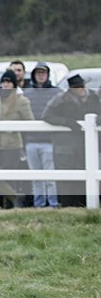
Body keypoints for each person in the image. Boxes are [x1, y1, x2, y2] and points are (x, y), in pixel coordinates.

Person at [42, 74, 101, 207]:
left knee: (89, 176)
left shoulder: (93, 97)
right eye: (77, 87)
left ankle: (87, 205)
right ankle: (68, 206)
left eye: (81, 86)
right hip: (67, 146)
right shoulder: (60, 99)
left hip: (88, 145)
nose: (80, 89)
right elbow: (47, 116)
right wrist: (68, 122)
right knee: (67, 180)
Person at [0, 70, 34, 208]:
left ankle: (11, 207)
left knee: (8, 177)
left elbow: (30, 121)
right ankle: (16, 197)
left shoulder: (22, 101)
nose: (5, 85)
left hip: (11, 145)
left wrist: (13, 128)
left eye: (9, 82)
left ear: (14, 84)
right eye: (4, 82)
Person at [23, 62, 61, 208]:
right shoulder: (27, 93)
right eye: (38, 73)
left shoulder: (57, 92)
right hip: (31, 140)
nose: (41, 75)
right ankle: (38, 204)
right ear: (34, 75)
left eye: (43, 73)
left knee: (50, 176)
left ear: (48, 75)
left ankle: (53, 203)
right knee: (36, 177)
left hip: (49, 140)